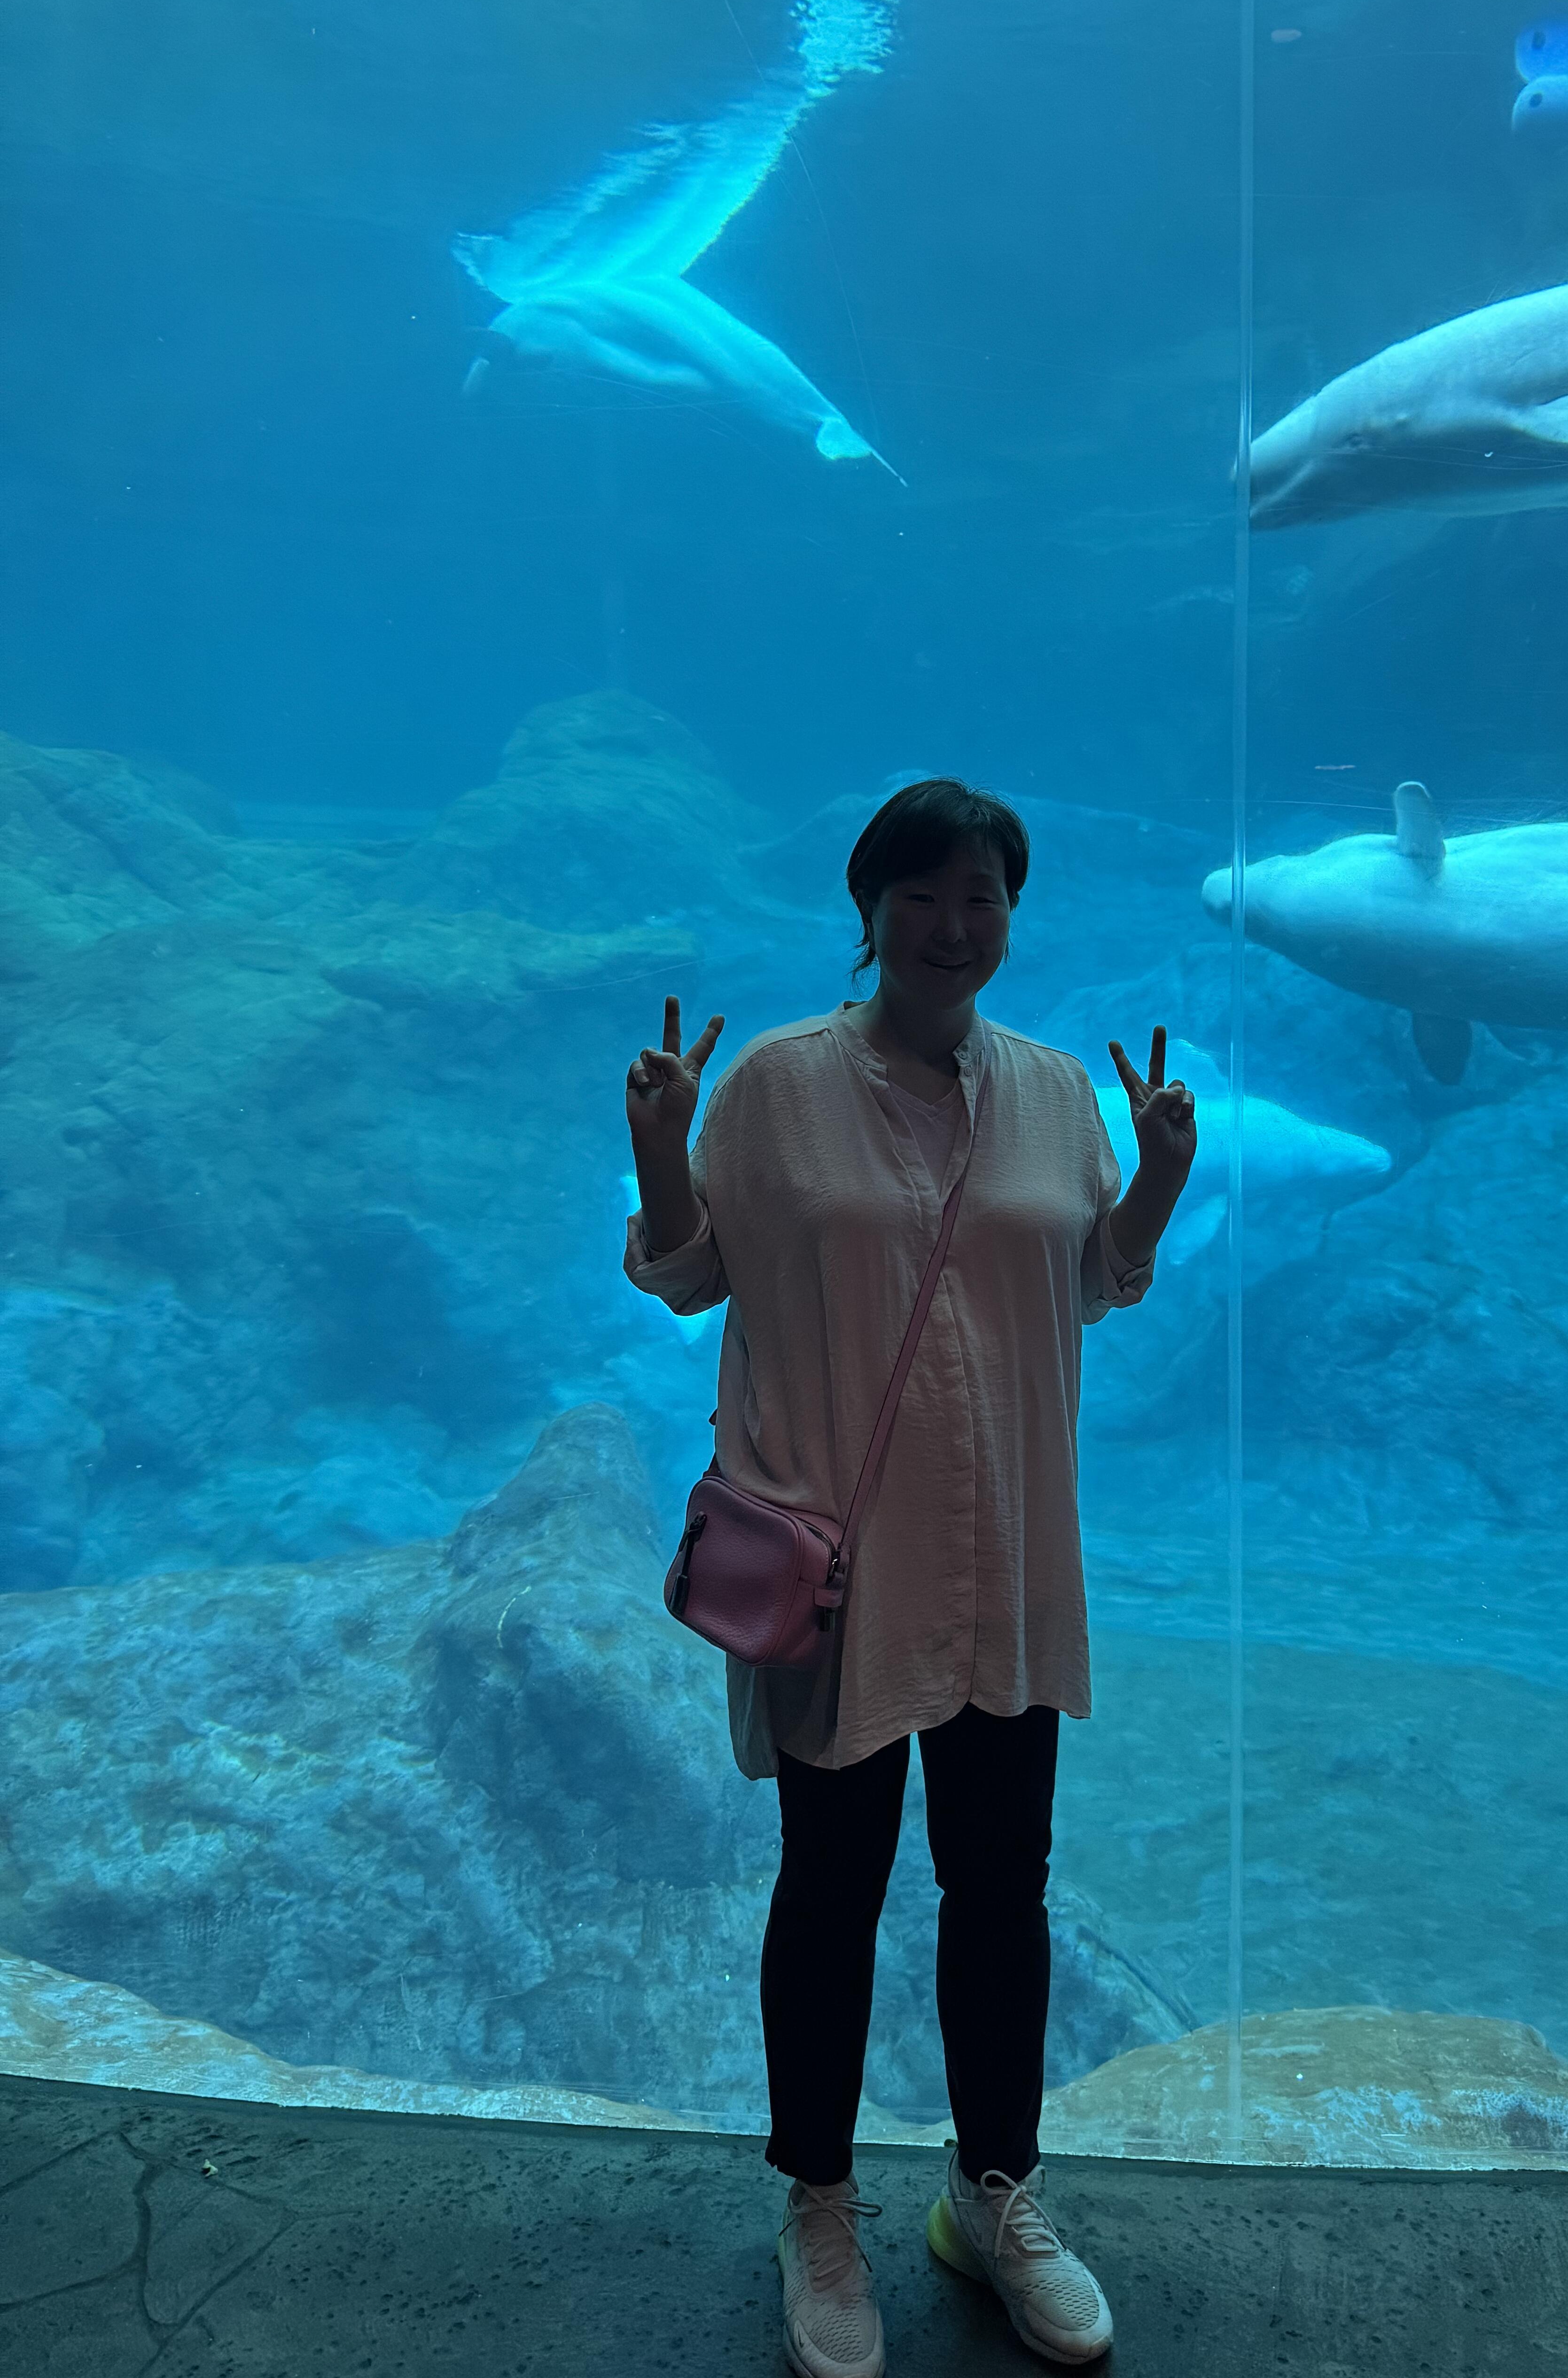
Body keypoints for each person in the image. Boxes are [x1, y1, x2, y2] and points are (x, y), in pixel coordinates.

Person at [623, 777, 1196, 2378]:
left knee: (1001, 1887)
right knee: (833, 1887)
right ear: (869, 910)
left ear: (1012, 916)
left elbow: (1096, 1280)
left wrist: (1157, 1173)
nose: (954, 926)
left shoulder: (1055, 1092)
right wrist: (662, 1146)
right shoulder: (775, 1085)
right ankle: (817, 2205)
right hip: (837, 1562)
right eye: (923, 895)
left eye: (982, 898)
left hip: (1004, 1552)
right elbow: (686, 1275)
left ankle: (991, 2195)